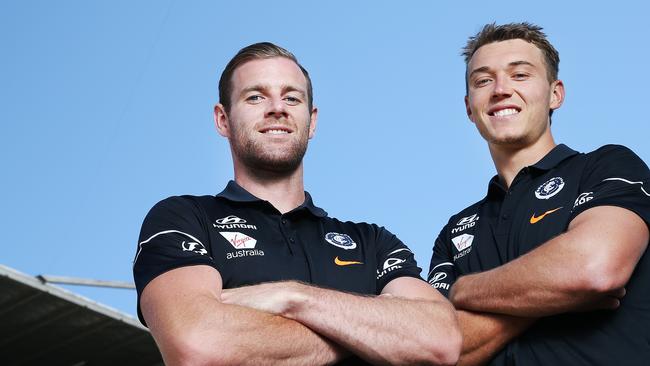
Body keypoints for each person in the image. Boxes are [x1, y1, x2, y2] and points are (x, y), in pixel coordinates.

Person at [134, 42, 461, 366]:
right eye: (255, 96)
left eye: (292, 97)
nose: (278, 108)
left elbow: (441, 339)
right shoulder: (183, 219)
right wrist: (372, 331)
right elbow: (197, 346)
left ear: (312, 121)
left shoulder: (372, 242)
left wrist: (293, 297)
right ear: (223, 119)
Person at [428, 22, 650, 365]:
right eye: (483, 80)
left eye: (520, 75)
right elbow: (440, 347)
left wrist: (464, 290)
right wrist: (556, 294)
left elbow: (594, 268)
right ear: (469, 108)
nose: (500, 89)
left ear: (555, 94)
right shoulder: (455, 230)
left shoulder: (606, 166)